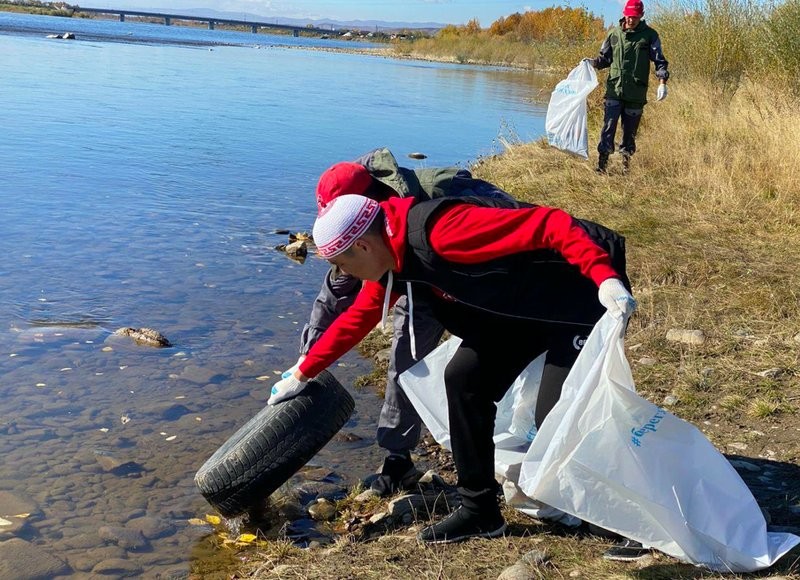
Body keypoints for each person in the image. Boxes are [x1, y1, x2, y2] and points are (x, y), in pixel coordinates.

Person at [269, 191, 636, 544]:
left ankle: (626, 519)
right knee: (464, 380)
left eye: (342, 264)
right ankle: (479, 511)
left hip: (582, 294)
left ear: (363, 246)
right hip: (524, 311)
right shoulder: (392, 260)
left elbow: (548, 223)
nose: (344, 273)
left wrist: (604, 277)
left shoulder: (444, 233)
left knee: (560, 413)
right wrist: (303, 372)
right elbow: (358, 317)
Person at [283, 148, 514, 498]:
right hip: (408, 263)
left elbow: (518, 222)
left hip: (460, 269)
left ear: (367, 203)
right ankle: (401, 460)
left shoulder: (432, 204)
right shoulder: (354, 220)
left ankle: (417, 462)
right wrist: (304, 367)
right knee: (402, 358)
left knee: (417, 361)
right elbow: (335, 294)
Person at [586, 0, 669, 174]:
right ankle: (602, 165)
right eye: (629, 16)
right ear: (624, 14)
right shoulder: (613, 34)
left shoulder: (650, 36)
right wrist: (592, 63)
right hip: (614, 90)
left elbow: (660, 61)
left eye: (635, 17)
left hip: (636, 93)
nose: (631, 20)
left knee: (629, 132)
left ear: (641, 15)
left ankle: (625, 166)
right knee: (608, 127)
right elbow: (605, 59)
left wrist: (662, 83)